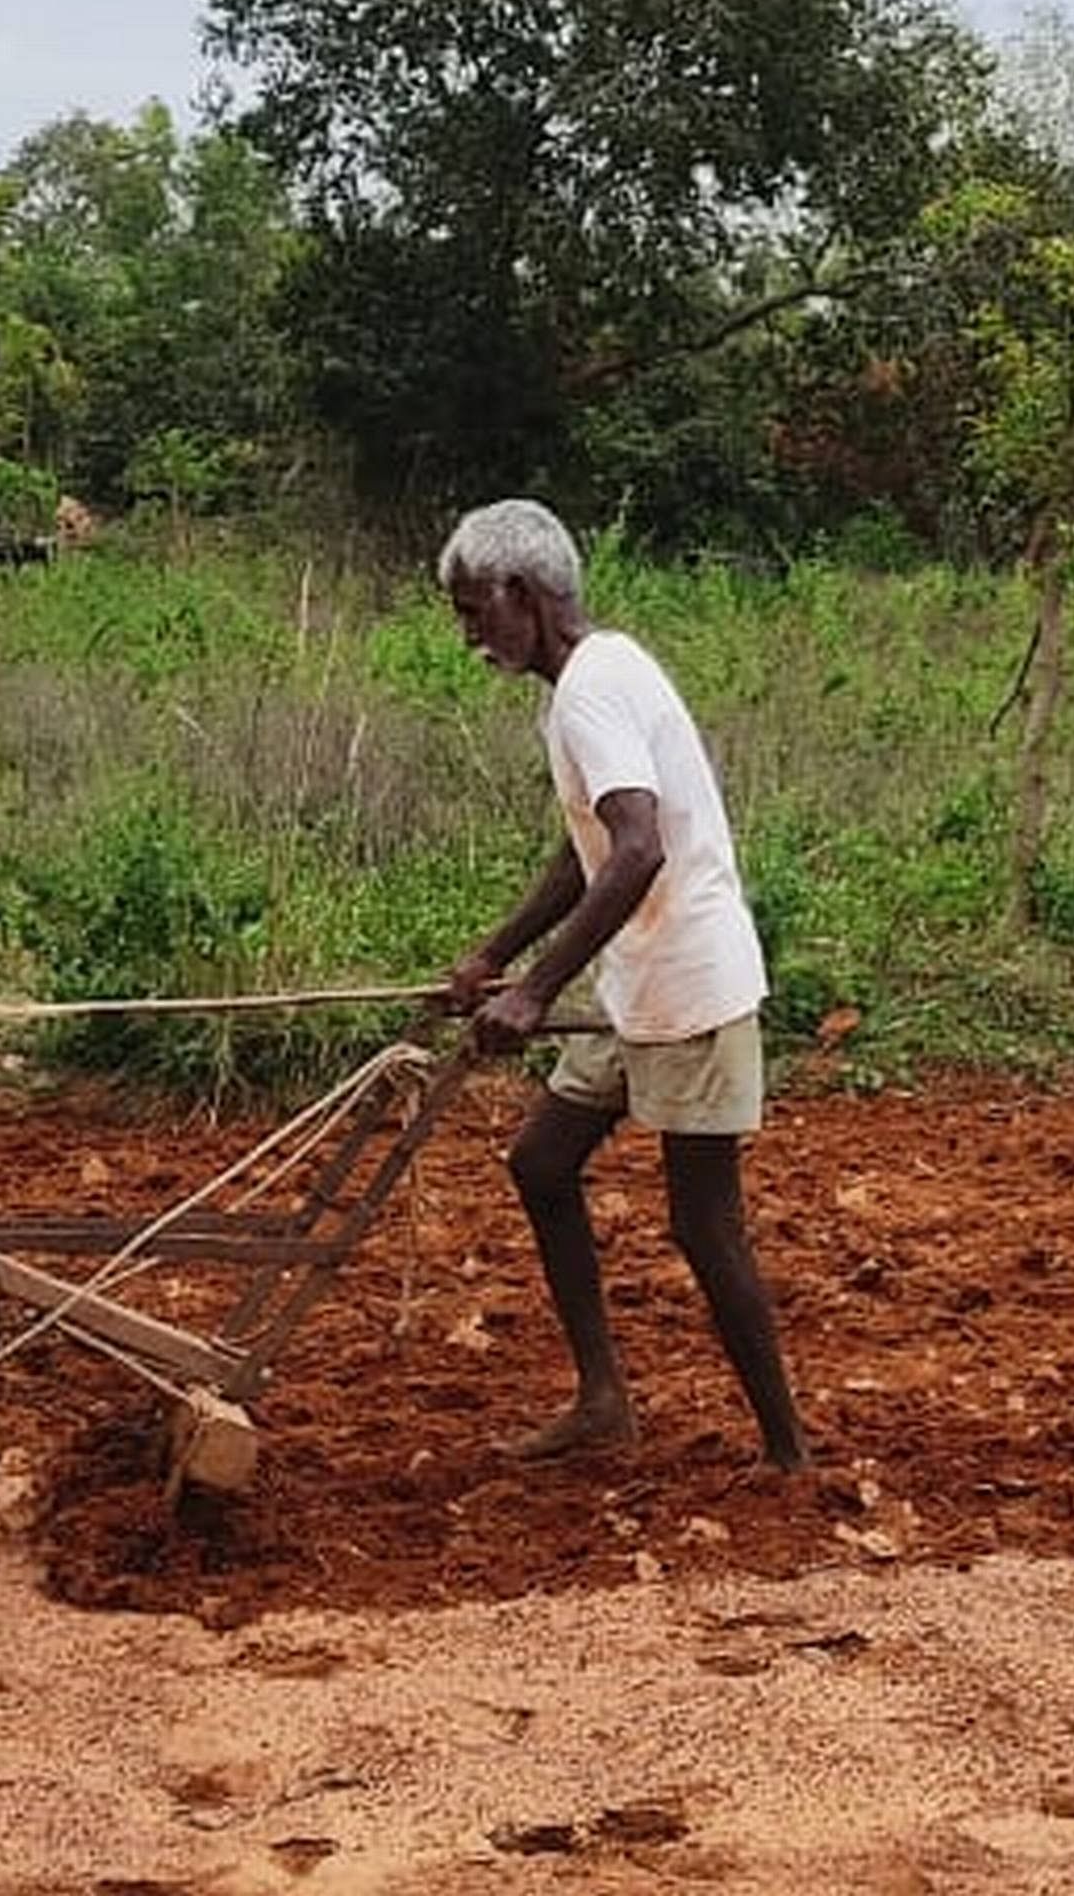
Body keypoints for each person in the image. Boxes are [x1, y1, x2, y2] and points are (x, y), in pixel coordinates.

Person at [425, 499, 813, 1474]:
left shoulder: (593, 686)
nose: (470, 636)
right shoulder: (594, 677)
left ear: (522, 593)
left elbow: (636, 850)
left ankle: (786, 1452)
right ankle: (602, 1402)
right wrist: (493, 957)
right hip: (633, 980)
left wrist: (532, 989)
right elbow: (586, 847)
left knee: (702, 1224)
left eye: (475, 611)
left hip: (689, 985)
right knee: (541, 1163)